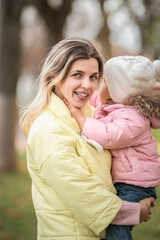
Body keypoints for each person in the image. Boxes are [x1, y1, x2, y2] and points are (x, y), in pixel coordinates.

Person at [20, 39, 154, 240]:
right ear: (54, 76)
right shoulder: (49, 129)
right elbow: (83, 194)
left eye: (94, 77)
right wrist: (135, 211)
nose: (88, 85)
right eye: (77, 75)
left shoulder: (91, 114)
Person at [66, 55, 160, 240]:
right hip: (128, 180)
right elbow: (95, 100)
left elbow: (109, 135)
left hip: (136, 184)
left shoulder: (135, 119)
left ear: (115, 91)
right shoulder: (113, 103)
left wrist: (81, 119)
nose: (96, 87)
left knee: (117, 227)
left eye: (102, 82)